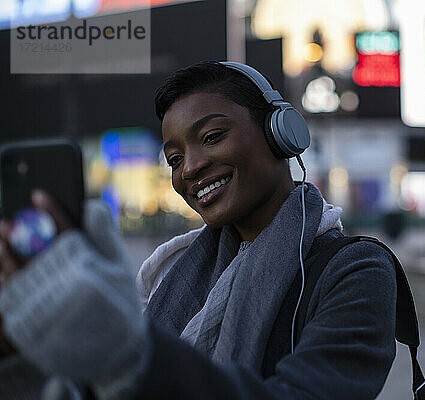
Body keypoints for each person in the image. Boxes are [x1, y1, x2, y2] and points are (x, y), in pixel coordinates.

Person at [0, 61, 398, 399]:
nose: (189, 168)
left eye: (211, 137)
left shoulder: (357, 271)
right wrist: (25, 357)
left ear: (281, 132)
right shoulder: (162, 273)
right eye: (174, 158)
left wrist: (132, 357)